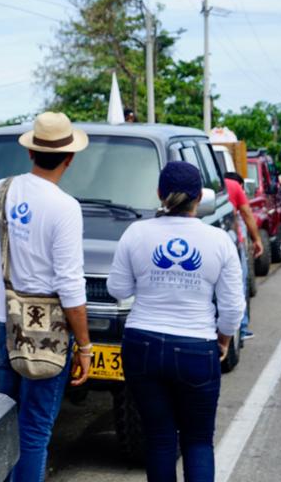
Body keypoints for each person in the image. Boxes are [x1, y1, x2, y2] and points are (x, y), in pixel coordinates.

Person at [0, 111, 92, 482]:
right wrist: (85, 346)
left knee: (6, 424)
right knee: (35, 431)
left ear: (30, 153)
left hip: (3, 326)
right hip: (47, 335)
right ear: (69, 158)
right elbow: (70, 285)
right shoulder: (65, 207)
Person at [107, 161, 245, 482]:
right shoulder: (219, 240)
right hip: (197, 346)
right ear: (200, 198)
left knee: (159, 439)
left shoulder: (136, 233)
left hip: (142, 345)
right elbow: (232, 307)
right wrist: (223, 339)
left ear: (159, 193)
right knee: (198, 441)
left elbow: (118, 289)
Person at [223, 171, 263, 341]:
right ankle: (242, 328)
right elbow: (247, 214)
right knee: (238, 284)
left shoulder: (204, 184)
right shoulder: (233, 186)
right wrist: (257, 239)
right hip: (232, 243)